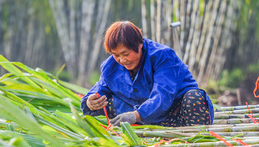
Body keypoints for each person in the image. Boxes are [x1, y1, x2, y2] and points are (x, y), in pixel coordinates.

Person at [81, 21, 213, 127]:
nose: (122, 60)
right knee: (105, 104)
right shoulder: (109, 66)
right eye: (116, 55)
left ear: (139, 45)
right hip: (142, 116)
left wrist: (136, 115)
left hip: (174, 112)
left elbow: (163, 95)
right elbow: (99, 90)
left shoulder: (163, 56)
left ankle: (187, 134)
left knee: (194, 98)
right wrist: (91, 102)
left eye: (126, 54)